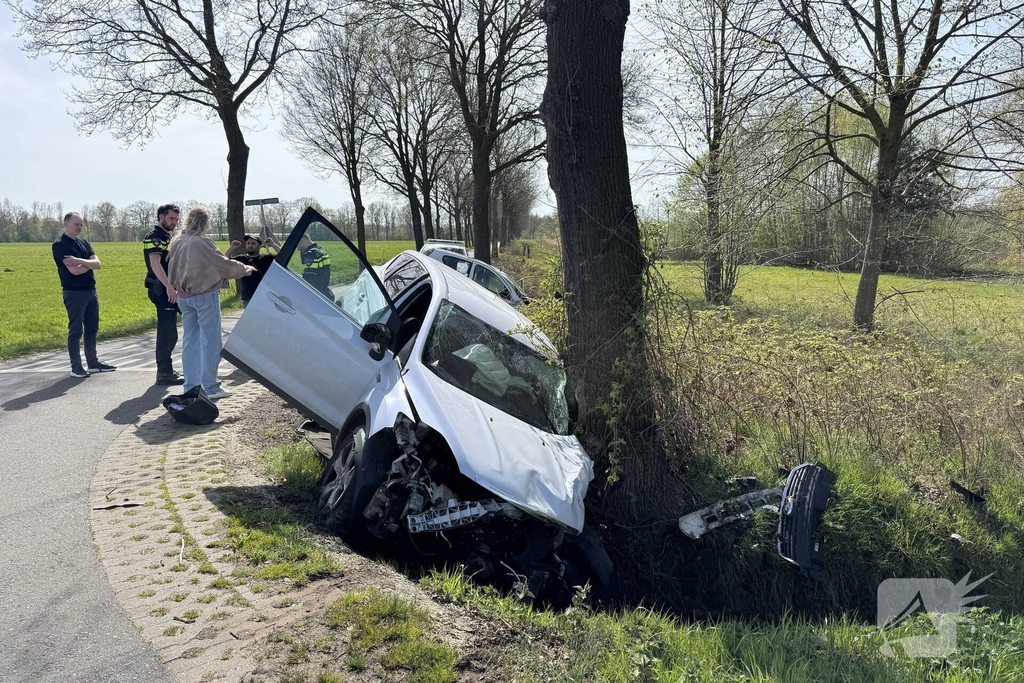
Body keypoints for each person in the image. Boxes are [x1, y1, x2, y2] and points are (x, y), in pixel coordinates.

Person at [167, 207, 256, 400]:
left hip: (183, 296)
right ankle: (211, 386)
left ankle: (191, 386)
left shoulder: (177, 241)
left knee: (190, 342)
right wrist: (244, 269)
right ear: (204, 223)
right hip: (204, 295)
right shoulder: (201, 241)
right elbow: (221, 263)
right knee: (211, 340)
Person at [51, 212, 117, 378]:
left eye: (81, 224)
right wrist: (88, 264)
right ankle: (76, 367)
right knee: (76, 330)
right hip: (74, 292)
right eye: (76, 224)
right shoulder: (59, 245)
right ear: (66, 224)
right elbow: (74, 271)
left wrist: (81, 261)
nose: (79, 227)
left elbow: (98, 264)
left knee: (92, 328)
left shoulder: (84, 243)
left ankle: (93, 363)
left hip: (91, 290)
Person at [143, 203, 184, 385]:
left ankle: (167, 370)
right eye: (171, 218)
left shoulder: (167, 236)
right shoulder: (155, 237)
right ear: (161, 217)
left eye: (176, 219)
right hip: (162, 290)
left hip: (171, 288)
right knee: (167, 332)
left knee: (172, 332)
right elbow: (155, 263)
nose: (174, 222)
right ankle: (164, 373)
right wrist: (168, 286)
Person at [224, 233, 280, 307]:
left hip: (264, 297)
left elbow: (284, 254)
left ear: (260, 246)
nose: (250, 246)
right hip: (248, 298)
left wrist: (273, 245)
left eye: (253, 243)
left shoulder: (266, 258)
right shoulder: (242, 259)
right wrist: (232, 248)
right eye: (248, 243)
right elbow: (224, 260)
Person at [297, 233, 333, 301]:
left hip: (317, 296)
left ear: (301, 241)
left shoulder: (311, 255)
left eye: (298, 245)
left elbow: (308, 280)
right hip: (325, 292)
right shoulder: (322, 251)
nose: (298, 248)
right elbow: (303, 261)